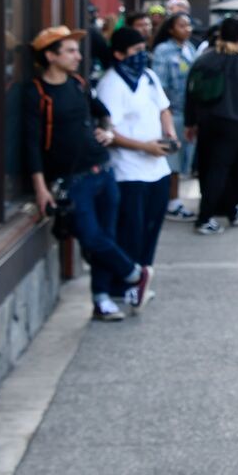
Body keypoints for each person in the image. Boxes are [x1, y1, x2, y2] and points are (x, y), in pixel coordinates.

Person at [22, 26, 152, 320]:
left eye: (76, 50)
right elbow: (31, 144)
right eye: (69, 51)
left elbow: (101, 109)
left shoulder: (78, 83)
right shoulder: (38, 93)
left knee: (105, 237)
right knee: (91, 237)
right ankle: (134, 274)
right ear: (50, 56)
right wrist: (41, 188)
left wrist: (106, 130)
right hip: (72, 179)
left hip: (103, 170)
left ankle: (102, 299)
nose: (77, 56)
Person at [95, 26, 176, 301]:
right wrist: (145, 147)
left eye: (144, 49)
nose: (143, 55)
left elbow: (163, 107)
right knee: (131, 231)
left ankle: (141, 279)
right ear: (119, 54)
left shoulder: (149, 76)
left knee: (151, 229)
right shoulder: (111, 84)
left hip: (158, 170)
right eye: (136, 51)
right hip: (128, 172)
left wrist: (169, 134)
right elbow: (108, 132)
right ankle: (124, 285)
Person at [185, 17, 238, 235]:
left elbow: (191, 92)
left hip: (206, 122)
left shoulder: (203, 60)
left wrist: (189, 122)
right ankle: (204, 218)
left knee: (212, 167)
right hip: (233, 124)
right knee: (222, 169)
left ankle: (232, 210)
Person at [151, 13, 198, 221]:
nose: (187, 29)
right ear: (171, 29)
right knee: (172, 160)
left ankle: (174, 200)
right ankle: (172, 202)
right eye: (182, 25)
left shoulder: (191, 48)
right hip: (173, 112)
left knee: (181, 160)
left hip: (188, 112)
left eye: (189, 25)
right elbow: (160, 86)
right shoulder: (163, 51)